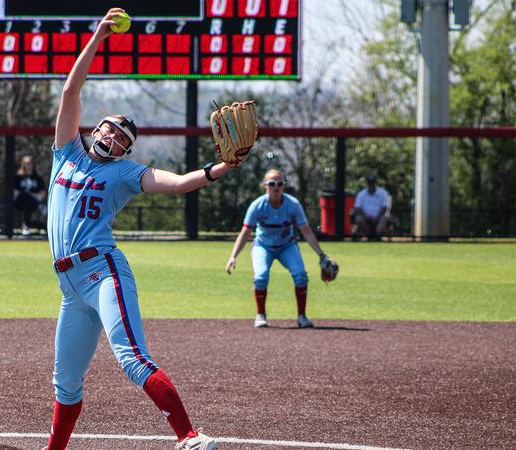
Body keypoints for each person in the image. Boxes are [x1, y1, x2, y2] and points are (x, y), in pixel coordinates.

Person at [42, 8, 231, 450]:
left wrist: (223, 166)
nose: (113, 139)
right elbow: (71, 89)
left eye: (123, 139)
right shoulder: (66, 153)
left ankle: (189, 436)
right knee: (65, 381)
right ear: (96, 129)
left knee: (130, 358)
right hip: (70, 285)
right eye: (110, 130)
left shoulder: (125, 173)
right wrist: (98, 37)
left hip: (103, 272)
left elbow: (181, 183)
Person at [225, 169, 333, 329]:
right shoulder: (257, 206)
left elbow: (307, 231)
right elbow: (245, 232)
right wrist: (233, 256)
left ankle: (302, 317)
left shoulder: (293, 205)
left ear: (284, 186)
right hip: (263, 246)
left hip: (286, 245)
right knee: (261, 277)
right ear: (264, 186)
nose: (276, 187)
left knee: (301, 275)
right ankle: (260, 315)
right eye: (272, 183)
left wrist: (321, 255)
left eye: (280, 183)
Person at [14, 155, 46, 233]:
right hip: (20, 202)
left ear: (33, 164)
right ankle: (26, 224)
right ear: (23, 164)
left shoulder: (37, 178)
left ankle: (27, 224)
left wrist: (31, 195)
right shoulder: (18, 177)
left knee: (28, 199)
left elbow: (42, 194)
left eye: (29, 163)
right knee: (24, 196)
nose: (28, 165)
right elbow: (15, 192)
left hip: (33, 202)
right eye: (26, 163)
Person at [352, 175, 391, 241]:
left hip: (378, 218)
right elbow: (358, 208)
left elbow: (384, 208)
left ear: (375, 183)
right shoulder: (361, 194)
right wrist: (366, 216)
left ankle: (377, 236)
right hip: (365, 218)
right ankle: (369, 235)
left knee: (384, 218)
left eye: (372, 183)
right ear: (367, 183)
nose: (371, 185)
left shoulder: (383, 193)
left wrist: (376, 218)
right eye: (369, 183)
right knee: (358, 218)